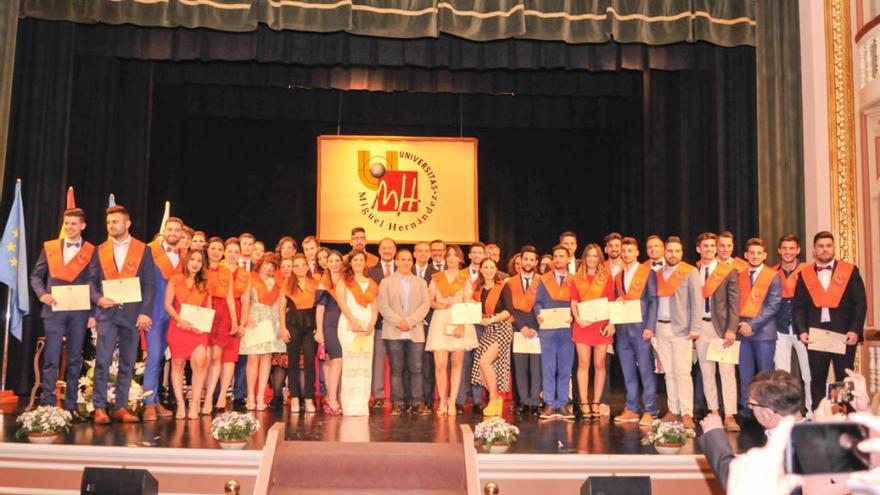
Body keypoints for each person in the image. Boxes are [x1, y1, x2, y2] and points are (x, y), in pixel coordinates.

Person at [88, 205, 157, 424]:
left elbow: (150, 284)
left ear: (127, 224)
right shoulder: (99, 250)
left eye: (115, 222)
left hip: (132, 314)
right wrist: (99, 299)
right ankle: (99, 408)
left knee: (128, 362)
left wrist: (145, 312)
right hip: (106, 313)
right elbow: (90, 282)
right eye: (108, 222)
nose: (111, 225)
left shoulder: (143, 249)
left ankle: (120, 406)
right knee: (103, 361)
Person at [30, 208, 96, 416]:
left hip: (79, 312)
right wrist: (42, 295)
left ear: (83, 226)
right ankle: (48, 403)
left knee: (76, 357)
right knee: (51, 357)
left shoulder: (91, 251)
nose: (69, 227)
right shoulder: (50, 247)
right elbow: (36, 277)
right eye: (66, 223)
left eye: (74, 224)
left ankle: (70, 405)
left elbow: (94, 283)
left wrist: (93, 314)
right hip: (54, 310)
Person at [697, 370, 805, 490]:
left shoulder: (789, 449)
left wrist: (714, 433)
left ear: (768, 413)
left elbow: (739, 482)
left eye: (752, 405)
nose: (751, 409)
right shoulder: (815, 435)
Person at [795, 231, 867, 409]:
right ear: (814, 250)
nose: (825, 250)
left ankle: (843, 416)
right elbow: (798, 307)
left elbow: (860, 303)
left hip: (843, 334)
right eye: (820, 246)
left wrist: (855, 330)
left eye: (828, 245)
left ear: (834, 248)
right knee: (817, 378)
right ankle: (821, 416)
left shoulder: (850, 271)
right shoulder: (805, 274)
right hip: (816, 334)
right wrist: (802, 330)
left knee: (843, 378)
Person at [653, 236, 701, 429]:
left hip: (681, 328)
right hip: (660, 327)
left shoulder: (689, 272)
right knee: (669, 372)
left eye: (677, 251)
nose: (673, 254)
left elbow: (697, 301)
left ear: (682, 253)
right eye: (670, 251)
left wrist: (695, 327)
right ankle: (673, 409)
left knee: (683, 372)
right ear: (665, 252)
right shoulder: (657, 273)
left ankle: (687, 412)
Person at [693, 232, 740, 431]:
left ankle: (730, 415)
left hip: (721, 328)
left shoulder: (728, 271)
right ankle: (714, 412)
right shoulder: (692, 271)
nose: (710, 249)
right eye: (705, 246)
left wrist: (731, 329)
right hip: (700, 327)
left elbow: (734, 303)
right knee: (706, 371)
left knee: (727, 372)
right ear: (698, 249)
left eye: (713, 246)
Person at [426, 245, 479, 415]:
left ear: (460, 259)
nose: (451, 258)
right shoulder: (437, 278)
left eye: (454, 255)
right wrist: (441, 305)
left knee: (457, 364)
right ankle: (442, 400)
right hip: (441, 319)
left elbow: (468, 301)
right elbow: (430, 301)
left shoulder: (464, 278)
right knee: (440, 365)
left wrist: (462, 324)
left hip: (459, 319)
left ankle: (453, 401)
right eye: (448, 255)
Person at [378, 249, 431, 415]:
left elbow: (425, 305)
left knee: (416, 368)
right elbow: (383, 306)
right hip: (394, 331)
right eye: (403, 259)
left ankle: (417, 402)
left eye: (409, 259)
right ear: (396, 261)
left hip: (415, 331)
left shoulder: (421, 282)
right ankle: (397, 403)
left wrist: (409, 321)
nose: (406, 262)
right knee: (396, 368)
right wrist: (399, 322)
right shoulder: (386, 282)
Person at [612, 237, 659, 426]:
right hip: (623, 331)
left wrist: (650, 327)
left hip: (641, 331)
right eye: (623, 251)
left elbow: (654, 301)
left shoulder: (648, 273)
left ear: (637, 252)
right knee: (628, 372)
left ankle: (650, 410)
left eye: (630, 251)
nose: (626, 254)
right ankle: (631, 408)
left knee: (646, 371)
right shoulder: (618, 276)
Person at [144, 216, 186, 421]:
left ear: (181, 233)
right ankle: (149, 402)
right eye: (170, 229)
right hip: (155, 312)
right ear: (164, 230)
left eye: (177, 230)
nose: (173, 233)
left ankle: (157, 397)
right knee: (153, 357)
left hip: (177, 315)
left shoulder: (186, 256)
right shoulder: (150, 252)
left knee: (168, 359)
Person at [737, 238, 782, 416]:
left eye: (759, 253)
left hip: (764, 333)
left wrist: (752, 325)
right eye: (752, 253)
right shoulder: (739, 275)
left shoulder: (773, 275)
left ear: (765, 255)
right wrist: (740, 325)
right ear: (746, 255)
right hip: (742, 333)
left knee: (766, 376)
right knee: (745, 375)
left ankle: (767, 410)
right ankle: (747, 411)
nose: (755, 256)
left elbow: (773, 304)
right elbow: (734, 303)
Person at [165, 249, 212, 419]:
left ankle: (194, 404)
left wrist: (203, 326)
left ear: (202, 265)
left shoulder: (205, 284)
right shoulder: (176, 280)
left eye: (199, 261)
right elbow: (168, 305)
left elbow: (208, 308)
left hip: (198, 331)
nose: (195, 263)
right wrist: (179, 319)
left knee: (200, 363)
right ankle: (180, 405)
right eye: (192, 259)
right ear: (186, 261)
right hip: (178, 327)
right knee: (177, 364)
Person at [570, 243, 615, 419]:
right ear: (584, 257)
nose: (591, 259)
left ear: (599, 258)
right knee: (583, 364)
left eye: (595, 255)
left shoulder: (606, 277)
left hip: (601, 325)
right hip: (582, 324)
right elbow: (573, 302)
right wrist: (577, 319)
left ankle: (596, 402)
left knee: (600, 364)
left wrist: (612, 324)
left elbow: (611, 302)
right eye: (589, 255)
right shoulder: (576, 278)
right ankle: (584, 402)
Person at [534, 244, 575, 420]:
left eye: (561, 256)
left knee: (565, 369)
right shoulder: (544, 280)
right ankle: (550, 404)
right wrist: (538, 314)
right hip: (548, 330)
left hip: (568, 330)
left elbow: (578, 303)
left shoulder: (575, 280)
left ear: (568, 259)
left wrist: (574, 315)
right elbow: (537, 303)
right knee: (548, 368)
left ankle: (563, 404)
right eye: (555, 256)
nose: (558, 259)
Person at [239, 252, 285, 411]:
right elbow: (245, 300)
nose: (269, 267)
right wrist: (245, 320)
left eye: (272, 265)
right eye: (267, 264)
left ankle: (260, 396)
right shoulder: (251, 278)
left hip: (271, 320)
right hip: (255, 319)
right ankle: (250, 395)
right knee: (252, 358)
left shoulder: (277, 281)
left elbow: (280, 303)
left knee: (266, 358)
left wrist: (281, 323)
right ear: (261, 263)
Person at [336, 250, 380, 416]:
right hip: (349, 325)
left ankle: (361, 404)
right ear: (350, 262)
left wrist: (372, 324)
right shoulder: (345, 281)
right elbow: (341, 302)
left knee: (364, 364)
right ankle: (349, 405)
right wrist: (353, 321)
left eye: (361, 260)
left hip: (367, 326)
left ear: (365, 262)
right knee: (351, 363)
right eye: (355, 260)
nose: (359, 263)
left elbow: (374, 306)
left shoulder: (371, 283)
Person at [470, 257, 514, 417]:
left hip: (501, 327)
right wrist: (478, 318)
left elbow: (509, 310)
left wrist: (492, 319)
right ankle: (495, 398)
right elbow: (473, 310)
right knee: (479, 369)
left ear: (496, 270)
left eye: (491, 267)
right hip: (488, 330)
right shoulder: (478, 290)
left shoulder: (503, 286)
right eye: (485, 267)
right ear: (480, 269)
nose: (488, 270)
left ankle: (494, 399)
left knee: (484, 362)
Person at [773, 234, 812, 411]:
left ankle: (812, 411)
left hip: (804, 330)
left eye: (792, 248)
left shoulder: (809, 271)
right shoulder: (772, 273)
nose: (788, 252)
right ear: (779, 251)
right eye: (784, 248)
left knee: (809, 373)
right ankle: (785, 412)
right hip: (780, 330)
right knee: (782, 375)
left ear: (798, 250)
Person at [203, 237, 240, 413]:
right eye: (213, 248)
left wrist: (234, 319)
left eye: (219, 249)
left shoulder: (226, 271)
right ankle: (199, 396)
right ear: (207, 250)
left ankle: (210, 398)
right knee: (205, 357)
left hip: (222, 315)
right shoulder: (200, 268)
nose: (216, 252)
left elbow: (230, 297)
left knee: (217, 357)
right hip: (204, 313)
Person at [279, 253, 320, 414]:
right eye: (296, 265)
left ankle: (309, 398)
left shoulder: (314, 283)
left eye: (303, 264)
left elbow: (319, 306)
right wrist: (283, 327)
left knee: (310, 361)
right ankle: (294, 397)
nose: (300, 268)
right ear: (293, 268)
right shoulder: (287, 283)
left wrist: (319, 326)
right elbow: (281, 307)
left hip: (311, 325)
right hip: (293, 323)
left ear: (307, 266)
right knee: (293, 361)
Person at [508, 246, 542, 416]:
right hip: (518, 329)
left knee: (536, 368)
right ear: (520, 261)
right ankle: (522, 401)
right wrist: (521, 327)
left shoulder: (542, 281)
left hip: (537, 330)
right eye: (525, 259)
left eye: (531, 259)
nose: (528, 262)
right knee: (520, 368)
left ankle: (535, 401)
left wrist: (535, 328)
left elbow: (544, 305)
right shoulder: (511, 282)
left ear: (536, 262)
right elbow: (509, 308)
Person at [367, 237, 396, 411]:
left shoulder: (403, 270)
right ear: (379, 251)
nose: (387, 251)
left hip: (399, 325)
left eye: (390, 248)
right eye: (384, 248)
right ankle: (378, 395)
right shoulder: (370, 272)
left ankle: (397, 396)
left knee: (398, 362)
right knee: (378, 361)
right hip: (378, 324)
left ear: (394, 250)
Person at [458, 242, 487, 412]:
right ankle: (460, 400)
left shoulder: (490, 275)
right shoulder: (460, 276)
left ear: (484, 255)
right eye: (474, 252)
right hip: (465, 323)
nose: (476, 255)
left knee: (479, 362)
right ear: (469, 256)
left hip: (482, 325)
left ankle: (477, 400)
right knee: (462, 362)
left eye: (480, 253)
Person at [315, 250, 345, 414]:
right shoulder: (323, 283)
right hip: (330, 325)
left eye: (337, 261)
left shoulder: (347, 281)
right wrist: (319, 330)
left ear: (341, 263)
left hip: (345, 324)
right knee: (337, 359)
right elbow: (319, 310)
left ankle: (332, 396)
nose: (334, 264)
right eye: (331, 261)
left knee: (332, 361)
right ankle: (332, 398)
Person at [413, 241, 438, 409]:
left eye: (426, 251)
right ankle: (412, 400)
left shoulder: (437, 274)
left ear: (430, 254)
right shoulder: (405, 271)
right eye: (419, 251)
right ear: (414, 254)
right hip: (410, 324)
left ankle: (428, 401)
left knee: (429, 363)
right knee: (412, 363)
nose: (422, 254)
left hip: (430, 323)